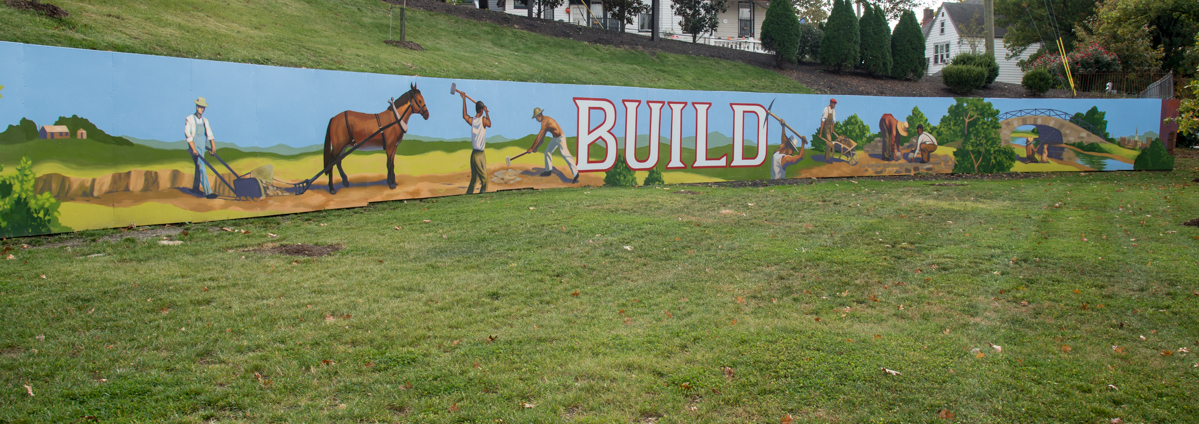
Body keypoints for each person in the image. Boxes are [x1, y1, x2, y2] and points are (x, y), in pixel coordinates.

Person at [527, 108, 579, 184]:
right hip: (555, 138)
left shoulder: (545, 121)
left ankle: (575, 173)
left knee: (565, 154)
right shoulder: (544, 122)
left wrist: (532, 147)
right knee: (547, 151)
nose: (536, 119)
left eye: (536, 117)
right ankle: (548, 171)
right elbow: (542, 138)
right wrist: (536, 148)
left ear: (539, 115)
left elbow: (539, 135)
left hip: (560, 138)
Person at [184, 97, 218, 199]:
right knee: (201, 166)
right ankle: (208, 192)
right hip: (194, 147)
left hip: (202, 146)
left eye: (203, 108)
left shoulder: (205, 121)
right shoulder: (189, 119)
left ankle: (195, 188)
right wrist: (194, 149)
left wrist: (213, 148)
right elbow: (188, 135)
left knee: (199, 166)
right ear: (196, 107)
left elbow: (210, 134)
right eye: (200, 107)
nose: (201, 109)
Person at [461, 91, 491, 194]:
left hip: (474, 154)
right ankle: (483, 197)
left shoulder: (473, 120)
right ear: (482, 110)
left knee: (474, 180)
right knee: (485, 180)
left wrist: (464, 99)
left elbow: (464, 115)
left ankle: (468, 196)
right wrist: (487, 112)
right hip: (479, 155)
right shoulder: (483, 120)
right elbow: (489, 124)